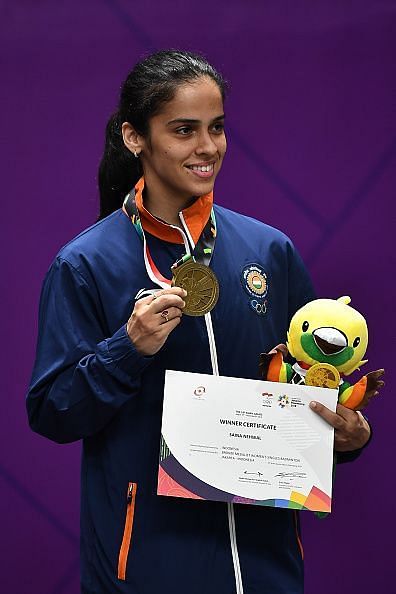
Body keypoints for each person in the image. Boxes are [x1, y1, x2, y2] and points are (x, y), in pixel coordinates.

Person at [27, 50, 374, 594]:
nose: (207, 147)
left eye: (217, 128)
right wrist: (127, 348)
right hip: (148, 568)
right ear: (134, 137)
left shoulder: (270, 251)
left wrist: (347, 435)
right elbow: (52, 412)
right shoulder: (86, 264)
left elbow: (308, 386)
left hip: (267, 566)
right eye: (183, 130)